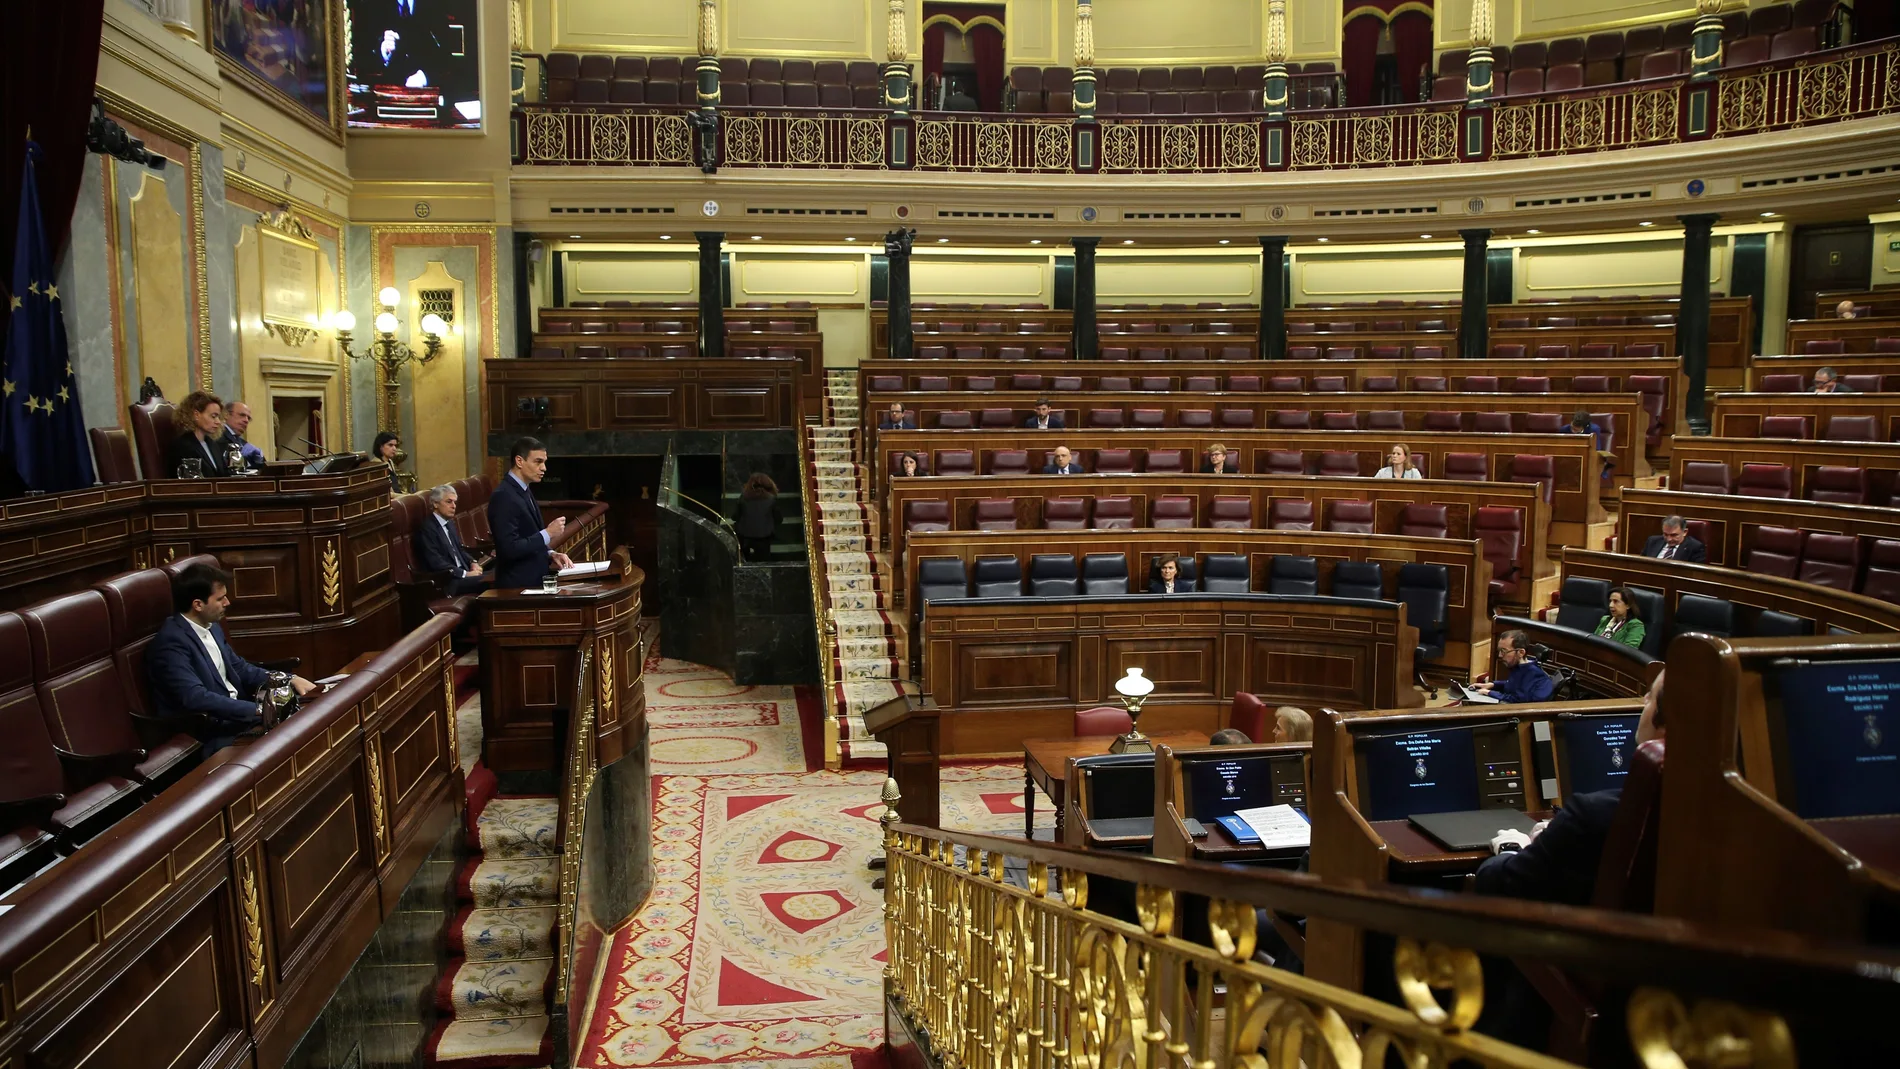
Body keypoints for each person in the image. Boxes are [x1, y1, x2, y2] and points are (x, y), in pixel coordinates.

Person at [1473, 670, 1666, 905]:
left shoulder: (1591, 816)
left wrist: (1513, 848)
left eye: (1651, 697)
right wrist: (1558, 835)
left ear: (1666, 724)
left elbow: (1497, 885)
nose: (1644, 701)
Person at [148, 562, 316, 753]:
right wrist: (259, 711)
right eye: (221, 598)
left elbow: (240, 668)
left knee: (307, 720)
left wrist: (290, 679)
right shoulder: (170, 643)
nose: (227, 603)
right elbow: (196, 698)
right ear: (198, 605)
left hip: (239, 719)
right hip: (212, 733)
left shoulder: (211, 627)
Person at [491, 436, 575, 588]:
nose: (544, 468)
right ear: (519, 461)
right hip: (516, 588)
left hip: (533, 582)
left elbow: (527, 536)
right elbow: (509, 549)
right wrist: (548, 533)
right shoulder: (504, 495)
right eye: (538, 462)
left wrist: (551, 554)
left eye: (544, 462)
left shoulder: (524, 490)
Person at [413, 484, 490, 595]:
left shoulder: (449, 523)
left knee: (503, 573)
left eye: (455, 502)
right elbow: (436, 562)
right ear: (435, 503)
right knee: (498, 579)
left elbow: (460, 549)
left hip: (463, 575)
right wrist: (465, 574)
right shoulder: (427, 529)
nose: (454, 506)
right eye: (449, 502)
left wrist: (472, 562)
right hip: (449, 583)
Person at [1470, 630, 1555, 703]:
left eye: (1503, 651)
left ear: (1521, 652)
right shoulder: (1520, 666)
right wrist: (1492, 685)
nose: (1500, 655)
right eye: (1499, 651)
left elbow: (1518, 700)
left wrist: (1489, 693)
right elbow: (1512, 685)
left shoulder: (1534, 674)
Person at [164, 391, 233, 478]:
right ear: (196, 415)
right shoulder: (183, 446)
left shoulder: (212, 443)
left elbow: (223, 475)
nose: (218, 422)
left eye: (219, 417)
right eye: (213, 416)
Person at [734, 473, 780, 562]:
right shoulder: (772, 499)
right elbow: (778, 519)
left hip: (745, 536)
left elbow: (735, 516)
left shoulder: (743, 497)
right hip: (764, 537)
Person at [219, 401, 267, 469]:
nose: (246, 420)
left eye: (248, 418)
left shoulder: (243, 443)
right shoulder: (217, 437)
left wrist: (259, 460)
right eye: (242, 415)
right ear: (226, 415)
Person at [1641, 515, 1706, 563]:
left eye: (1674, 535)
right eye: (1665, 534)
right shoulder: (1652, 541)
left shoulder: (1695, 547)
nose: (1669, 539)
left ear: (1685, 532)